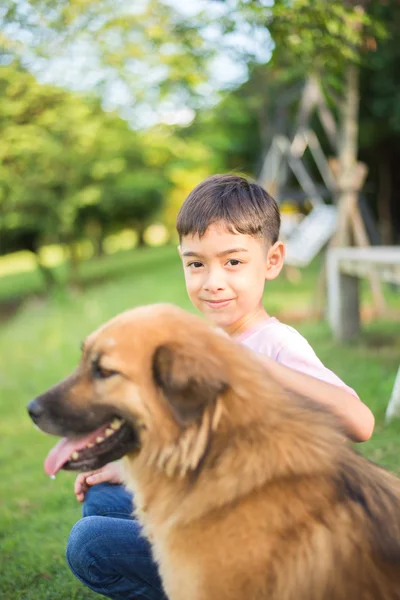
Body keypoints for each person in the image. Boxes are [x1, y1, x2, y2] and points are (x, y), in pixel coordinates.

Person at [66, 174, 375, 599]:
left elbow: (360, 423)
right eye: (196, 264)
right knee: (100, 503)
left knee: (90, 544)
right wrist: (124, 469)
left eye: (233, 262)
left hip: (265, 542)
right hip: (217, 513)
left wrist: (257, 365)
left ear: (272, 260)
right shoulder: (209, 347)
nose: (212, 281)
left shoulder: (275, 344)